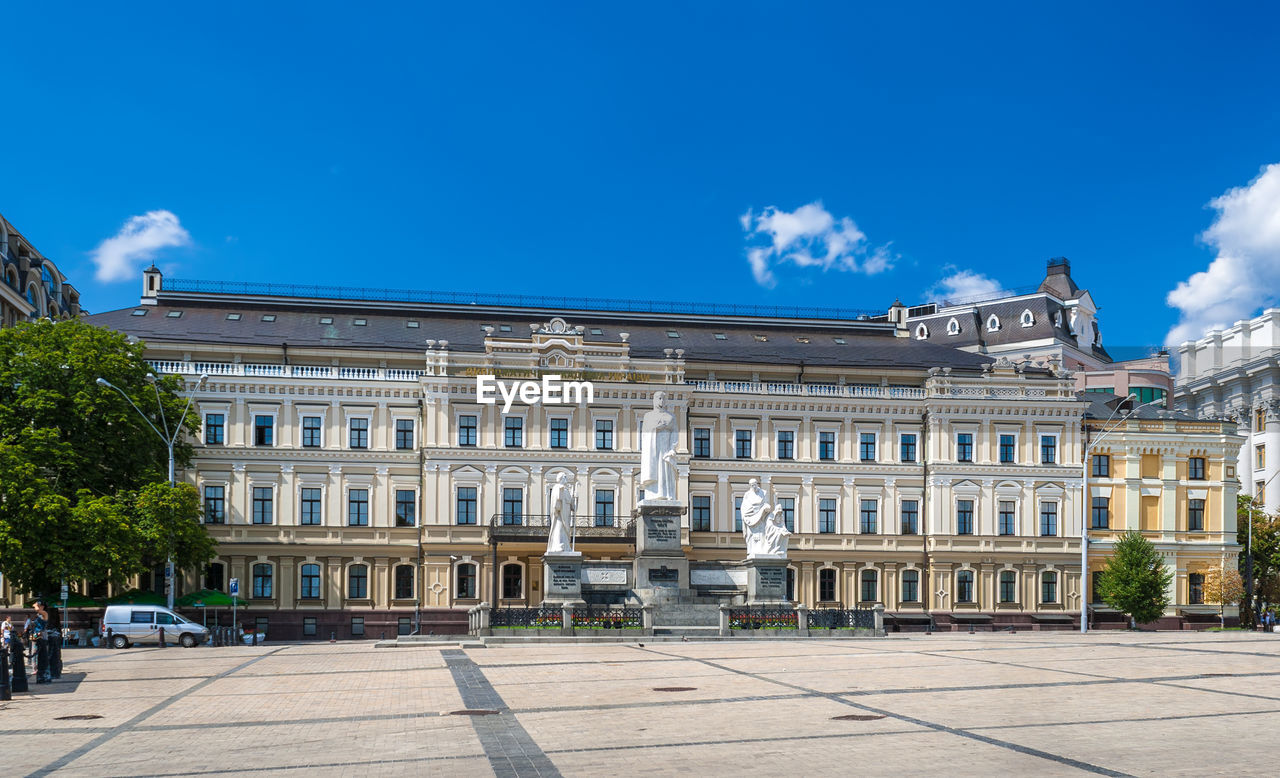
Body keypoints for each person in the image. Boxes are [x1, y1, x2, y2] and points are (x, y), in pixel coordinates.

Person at [638, 391, 678, 502]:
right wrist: (656, 428)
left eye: (663, 399)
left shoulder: (671, 417)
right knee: (655, 469)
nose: (661, 401)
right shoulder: (648, 416)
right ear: (654, 400)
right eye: (659, 398)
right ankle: (653, 494)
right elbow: (645, 434)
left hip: (665, 448)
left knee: (665, 471)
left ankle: (665, 494)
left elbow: (675, 433)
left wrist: (672, 448)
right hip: (653, 449)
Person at [546, 473, 577, 554]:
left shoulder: (567, 491)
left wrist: (575, 499)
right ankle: (559, 545)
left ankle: (566, 546)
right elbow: (556, 502)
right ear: (561, 478)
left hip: (566, 515)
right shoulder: (556, 487)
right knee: (559, 528)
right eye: (564, 477)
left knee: (565, 531)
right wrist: (560, 492)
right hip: (559, 514)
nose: (566, 479)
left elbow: (573, 507)